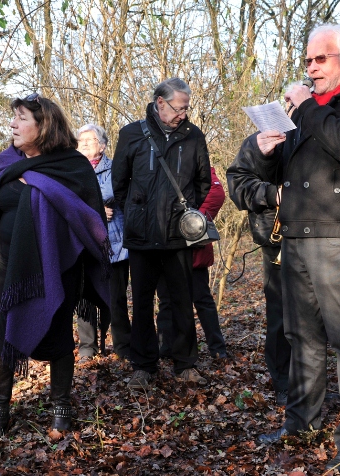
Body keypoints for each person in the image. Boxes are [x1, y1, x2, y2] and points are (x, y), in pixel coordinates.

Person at [254, 24, 340, 473]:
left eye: (321, 59)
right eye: (308, 61)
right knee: (302, 340)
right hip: (294, 238)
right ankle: (302, 424)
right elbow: (277, 171)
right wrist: (263, 151)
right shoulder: (304, 112)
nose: (311, 68)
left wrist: (309, 108)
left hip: (339, 236)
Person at [0, 93, 111, 444]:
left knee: (57, 338)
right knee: (1, 339)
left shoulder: (71, 166)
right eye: (13, 118)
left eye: (21, 118)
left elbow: (89, 219)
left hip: (57, 268)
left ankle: (61, 409)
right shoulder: (7, 162)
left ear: (44, 125)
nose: (12, 125)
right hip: (8, 269)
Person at [112, 77, 211, 390]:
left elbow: (203, 182)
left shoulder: (194, 136)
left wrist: (185, 212)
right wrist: (139, 210)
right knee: (141, 302)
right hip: (141, 236)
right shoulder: (131, 134)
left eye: (186, 108)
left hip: (178, 236)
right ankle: (144, 365)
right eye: (177, 108)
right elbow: (119, 183)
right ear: (159, 103)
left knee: (182, 300)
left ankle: (186, 364)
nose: (182, 113)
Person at [227, 134, 291, 406]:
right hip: (278, 239)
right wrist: (272, 193)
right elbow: (238, 185)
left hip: (326, 238)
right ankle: (284, 384)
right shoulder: (263, 138)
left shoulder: (332, 128)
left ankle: (312, 385)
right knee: (281, 317)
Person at [157, 166, 228, 360]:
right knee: (166, 301)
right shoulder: (150, 161)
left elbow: (216, 193)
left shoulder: (193, 157)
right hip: (162, 245)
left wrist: (193, 223)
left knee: (201, 299)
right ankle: (165, 350)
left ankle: (217, 348)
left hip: (192, 248)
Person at [75, 124, 130, 361]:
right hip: (83, 244)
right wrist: (96, 210)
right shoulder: (72, 171)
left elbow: (122, 195)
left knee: (116, 297)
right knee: (84, 297)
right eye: (81, 140)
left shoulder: (116, 168)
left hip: (115, 243)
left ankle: (123, 346)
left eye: (90, 140)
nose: (84, 144)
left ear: (103, 145)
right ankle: (88, 346)